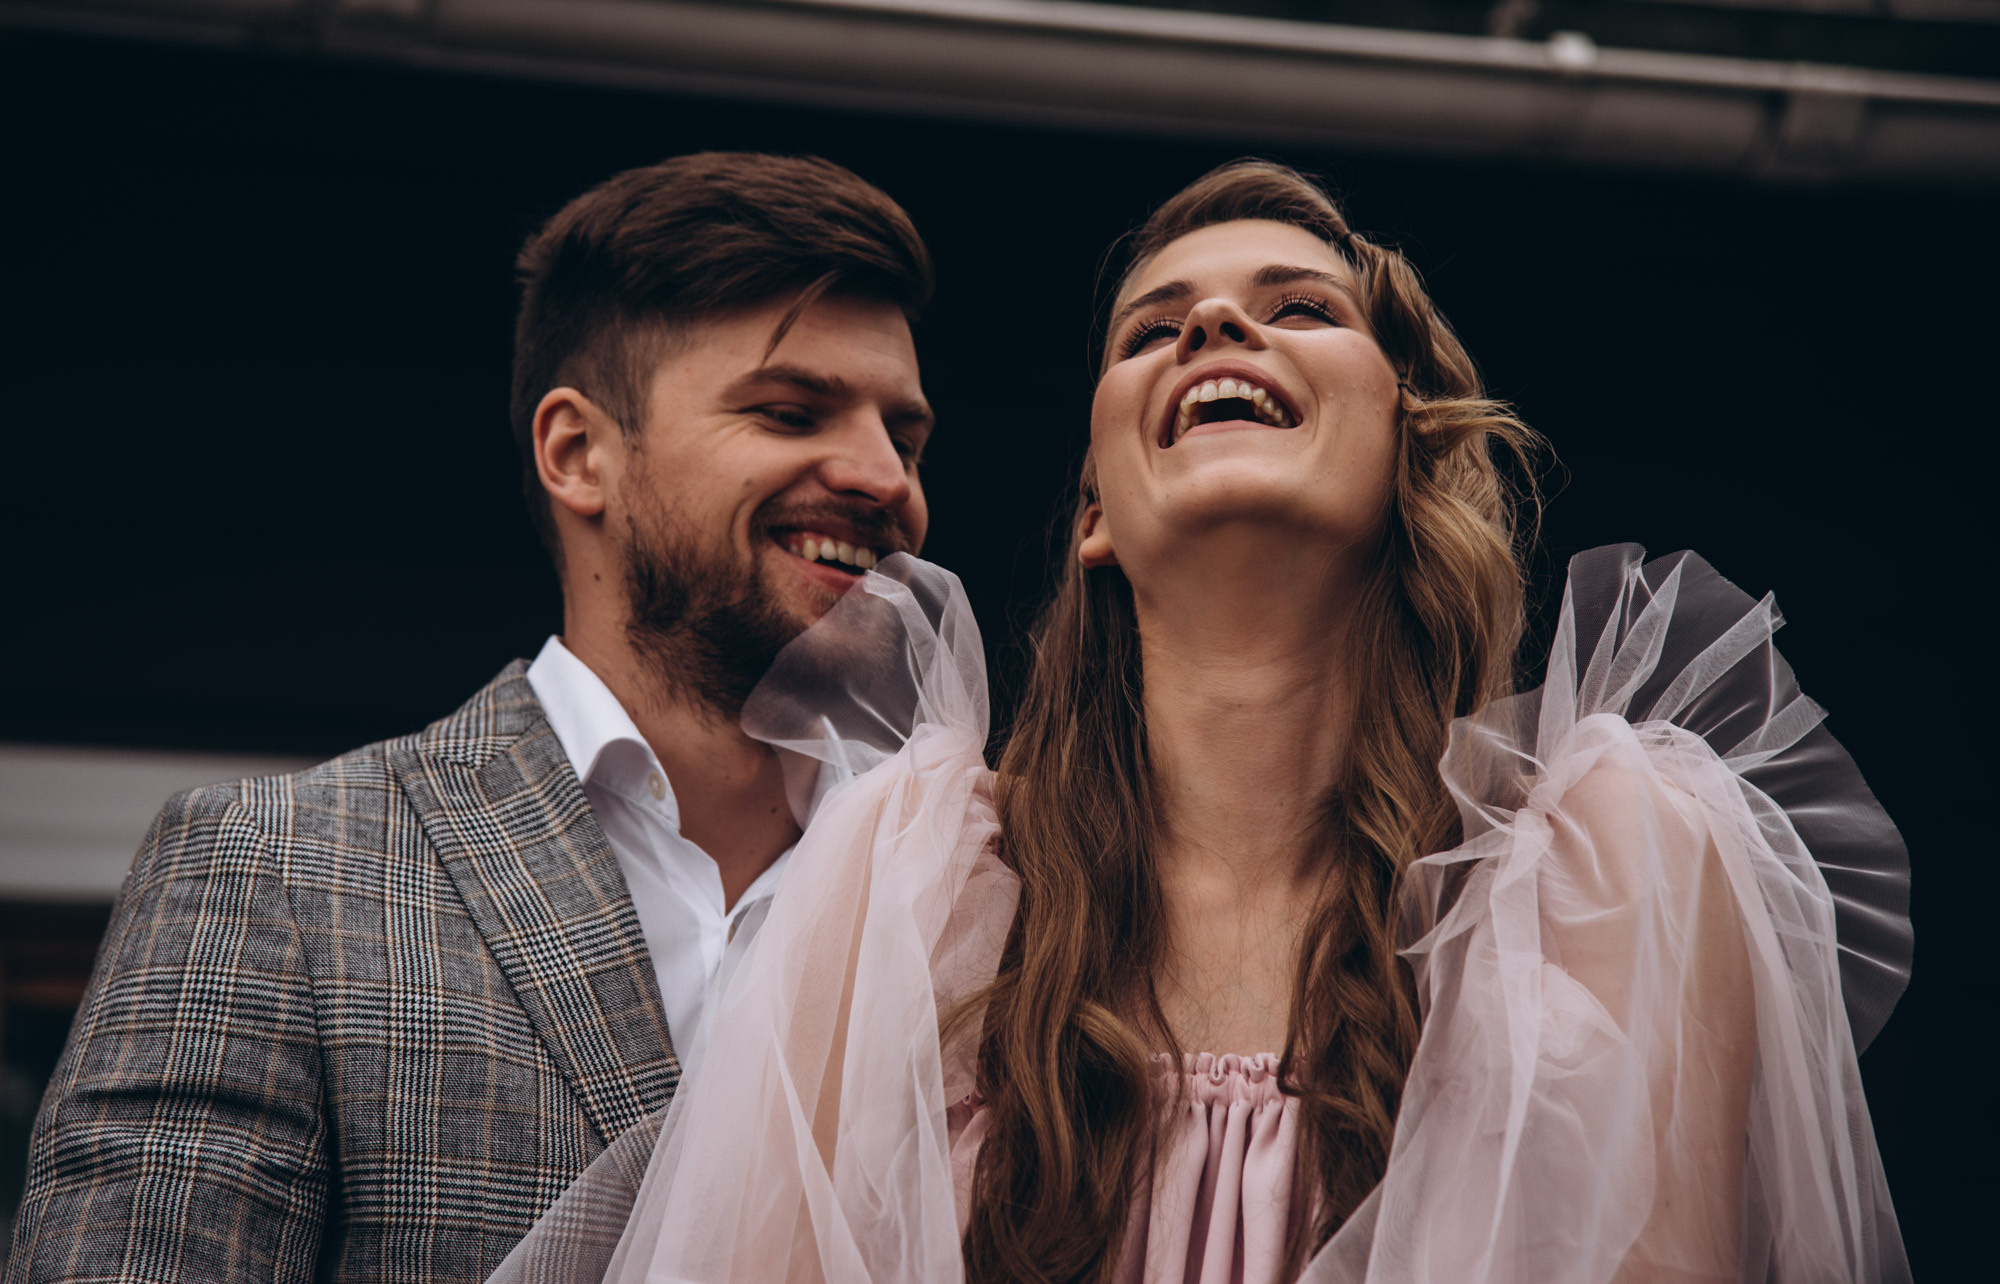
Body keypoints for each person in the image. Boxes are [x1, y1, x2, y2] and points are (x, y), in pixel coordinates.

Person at [493, 160, 1912, 1283]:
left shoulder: (1614, 866)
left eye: (1301, 309)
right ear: (1096, 512)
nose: (1216, 330)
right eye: (1152, 328)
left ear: (1409, 448)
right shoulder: (908, 885)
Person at [5, 152, 937, 1284]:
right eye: (791, 412)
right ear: (578, 454)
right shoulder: (277, 870)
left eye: (906, 438)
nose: (884, 477)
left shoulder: (968, 896)